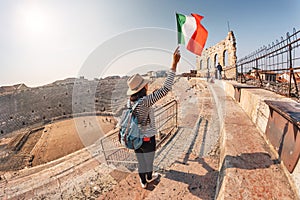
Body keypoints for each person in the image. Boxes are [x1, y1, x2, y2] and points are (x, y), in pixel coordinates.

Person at [126, 47, 181, 189]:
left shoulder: (131, 101)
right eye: (145, 84)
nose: (147, 84)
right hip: (147, 138)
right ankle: (149, 177)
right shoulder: (145, 102)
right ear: (142, 88)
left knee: (140, 162)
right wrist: (174, 65)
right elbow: (166, 89)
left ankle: (143, 182)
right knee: (148, 161)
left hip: (134, 137)